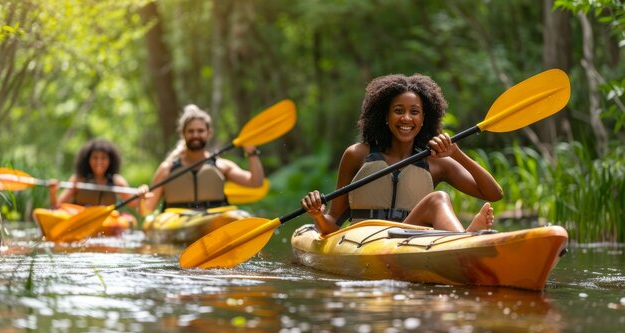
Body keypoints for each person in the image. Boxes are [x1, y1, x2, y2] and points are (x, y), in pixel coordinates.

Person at [301, 73, 503, 234]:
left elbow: (494, 194)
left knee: (438, 199)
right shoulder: (356, 155)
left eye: (414, 112)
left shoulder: (436, 162)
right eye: (398, 111)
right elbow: (332, 224)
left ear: (424, 119)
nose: (406, 118)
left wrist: (455, 153)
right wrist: (318, 215)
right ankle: (465, 240)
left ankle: (464, 243)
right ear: (386, 117)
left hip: (411, 242)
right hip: (366, 242)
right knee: (438, 199)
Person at [139, 104, 265, 214]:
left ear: (209, 133)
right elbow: (147, 209)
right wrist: (143, 198)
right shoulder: (167, 169)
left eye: (200, 131)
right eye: (191, 131)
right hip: (177, 226)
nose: (195, 135)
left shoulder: (221, 166)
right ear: (183, 134)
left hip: (214, 222)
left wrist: (251, 152)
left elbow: (256, 182)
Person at [48, 138, 146, 209]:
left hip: (105, 220)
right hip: (80, 218)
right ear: (88, 160)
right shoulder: (78, 179)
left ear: (110, 161)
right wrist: (53, 192)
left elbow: (134, 204)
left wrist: (141, 195)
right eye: (95, 158)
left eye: (103, 158)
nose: (99, 162)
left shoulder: (117, 181)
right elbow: (56, 206)